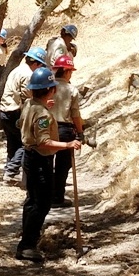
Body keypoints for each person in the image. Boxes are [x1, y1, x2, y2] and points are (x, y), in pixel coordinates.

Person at [16, 66, 81, 262]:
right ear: (50, 89)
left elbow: (20, 124)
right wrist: (67, 144)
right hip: (39, 160)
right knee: (41, 204)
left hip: (29, 157)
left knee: (31, 201)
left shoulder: (29, 105)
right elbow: (44, 141)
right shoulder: (42, 114)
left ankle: (26, 241)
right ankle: (27, 245)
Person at [0, 46, 47, 184]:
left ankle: (9, 173)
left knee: (12, 144)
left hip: (4, 110)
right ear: (36, 63)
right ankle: (11, 170)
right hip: (14, 112)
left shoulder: (18, 69)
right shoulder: (28, 75)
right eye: (41, 65)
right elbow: (28, 98)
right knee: (25, 143)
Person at [49, 55, 84, 208]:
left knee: (46, 163)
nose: (71, 74)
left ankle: (45, 196)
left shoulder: (48, 86)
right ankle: (57, 197)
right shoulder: (71, 90)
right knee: (63, 166)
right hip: (64, 130)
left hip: (47, 128)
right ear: (65, 71)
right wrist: (80, 132)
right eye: (70, 71)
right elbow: (75, 115)